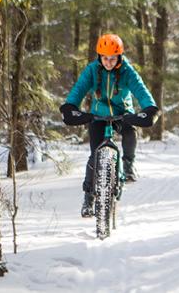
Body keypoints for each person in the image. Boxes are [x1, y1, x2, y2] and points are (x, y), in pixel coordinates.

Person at [60, 34, 159, 218]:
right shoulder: (92, 71)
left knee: (130, 133)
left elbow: (141, 90)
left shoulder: (127, 71)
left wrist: (149, 108)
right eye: (105, 58)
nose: (108, 62)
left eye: (113, 58)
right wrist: (70, 107)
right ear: (99, 57)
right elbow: (78, 89)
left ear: (119, 57)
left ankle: (128, 165)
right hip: (99, 116)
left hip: (123, 114)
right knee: (94, 156)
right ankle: (88, 198)